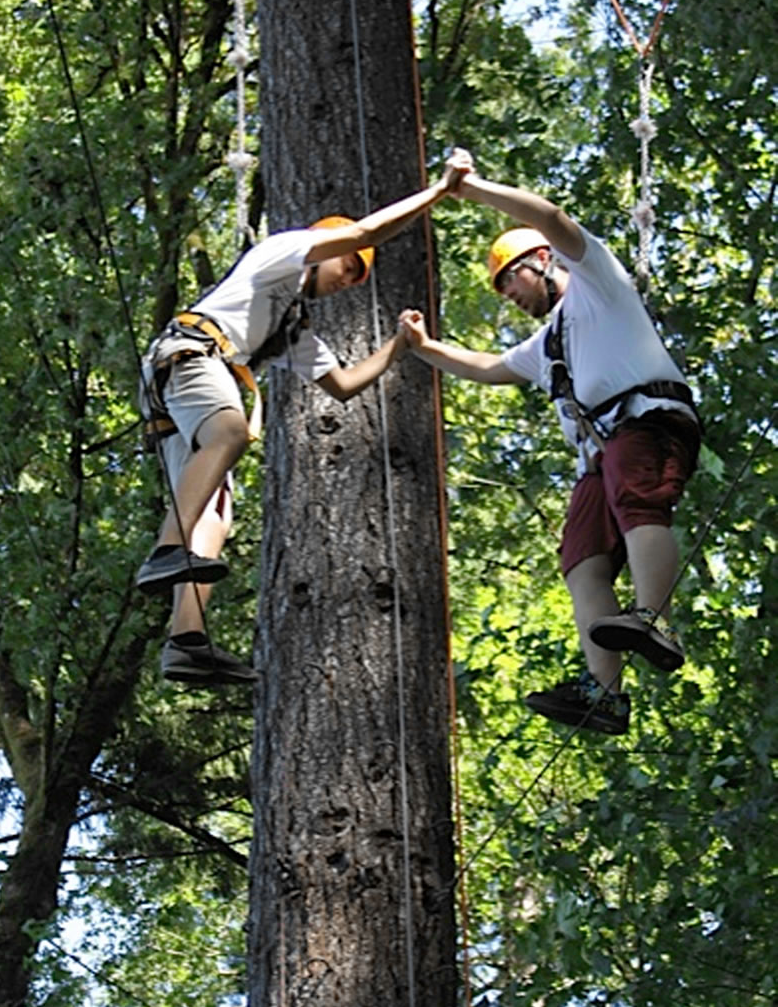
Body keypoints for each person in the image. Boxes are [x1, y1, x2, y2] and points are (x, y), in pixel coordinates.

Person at [399, 149, 700, 735]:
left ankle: (653, 616)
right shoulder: (545, 346)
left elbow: (554, 217)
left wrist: (475, 189)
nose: (505, 294)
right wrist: (424, 348)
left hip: (646, 422)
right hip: (603, 456)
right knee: (581, 561)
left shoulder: (598, 283)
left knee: (637, 500)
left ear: (540, 260)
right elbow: (489, 367)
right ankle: (604, 692)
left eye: (508, 279)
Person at [137, 161, 468, 686]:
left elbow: (342, 385)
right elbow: (364, 232)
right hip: (190, 355)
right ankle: (165, 550)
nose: (350, 284)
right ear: (328, 249)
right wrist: (439, 192)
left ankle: (185, 641)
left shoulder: (291, 322)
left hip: (190, 375)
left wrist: (399, 346)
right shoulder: (280, 254)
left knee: (217, 513)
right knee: (229, 433)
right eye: (350, 270)